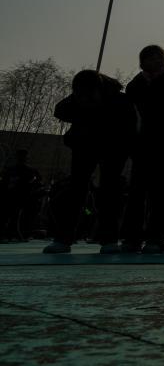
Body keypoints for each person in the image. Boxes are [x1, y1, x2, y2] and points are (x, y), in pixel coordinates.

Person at [43, 71, 137, 254]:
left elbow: (130, 128)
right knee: (76, 190)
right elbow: (60, 110)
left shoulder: (120, 101)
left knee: (109, 192)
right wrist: (79, 104)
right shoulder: (78, 99)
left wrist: (125, 147)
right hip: (84, 147)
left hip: (113, 149)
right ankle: (64, 238)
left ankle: (109, 239)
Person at [121, 45, 164, 253]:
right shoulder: (135, 84)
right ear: (142, 61)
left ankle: (156, 237)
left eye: (158, 57)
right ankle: (131, 238)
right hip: (141, 147)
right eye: (149, 58)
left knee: (163, 194)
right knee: (136, 193)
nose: (155, 61)